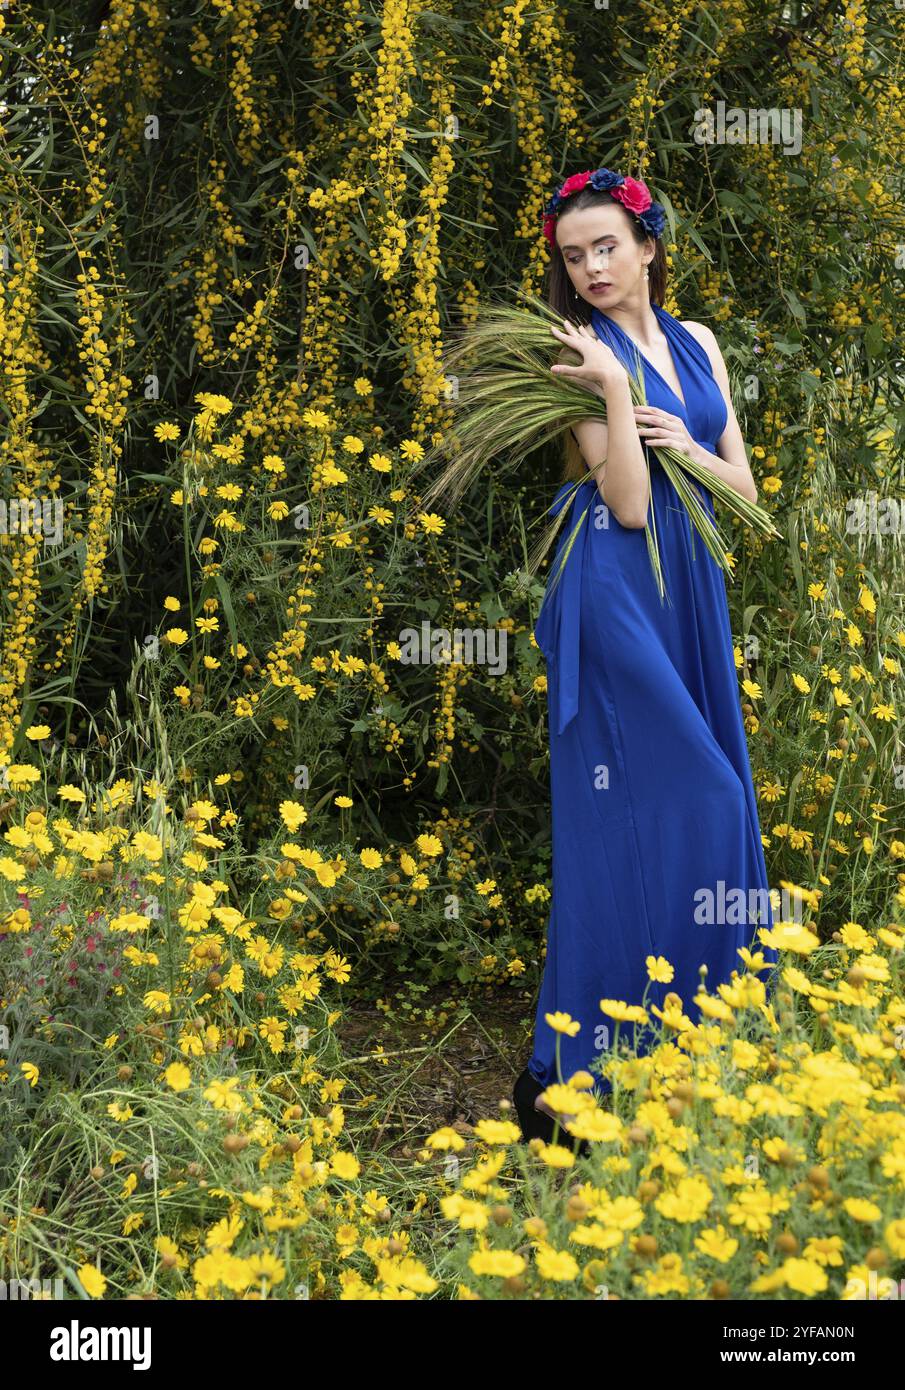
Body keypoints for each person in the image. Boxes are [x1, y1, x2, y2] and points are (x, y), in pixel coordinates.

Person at [512, 167, 779, 1145]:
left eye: (604, 246)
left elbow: (744, 491)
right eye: (571, 254)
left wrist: (688, 446)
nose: (587, 267)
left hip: (687, 591)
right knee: (689, 802)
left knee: (702, 809)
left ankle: (678, 1052)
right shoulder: (570, 353)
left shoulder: (699, 343)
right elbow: (625, 502)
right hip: (617, 596)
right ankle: (594, 1069)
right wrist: (619, 395)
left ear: (647, 247)